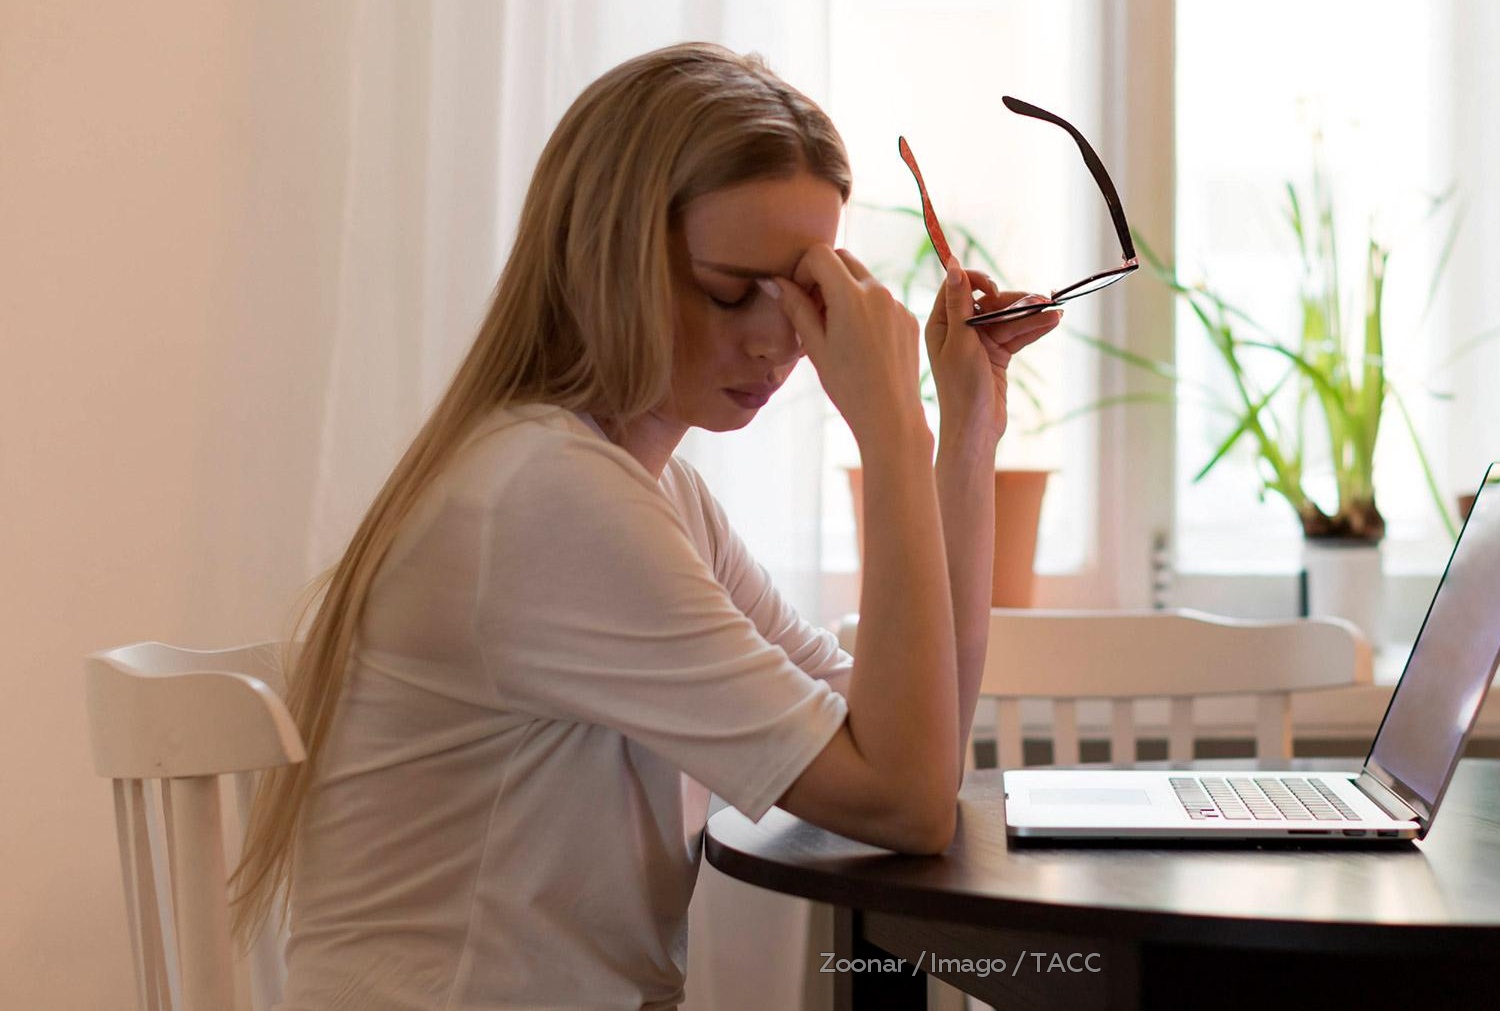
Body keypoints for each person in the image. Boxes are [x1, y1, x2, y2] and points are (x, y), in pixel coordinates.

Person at [232, 42, 1062, 1010]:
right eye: (729, 290)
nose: (778, 341)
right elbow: (907, 800)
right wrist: (889, 428)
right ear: (607, 257)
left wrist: (966, 427)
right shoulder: (545, 497)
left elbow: (915, 749)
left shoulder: (654, 494)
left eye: (805, 294)